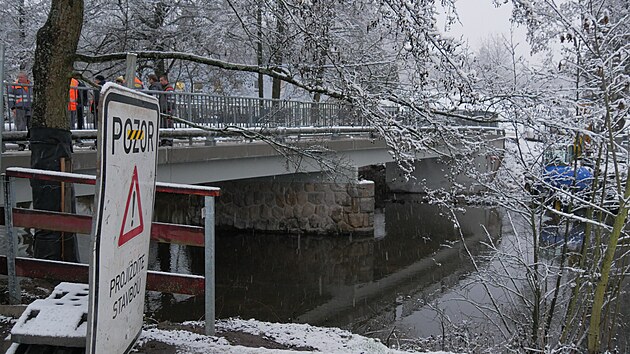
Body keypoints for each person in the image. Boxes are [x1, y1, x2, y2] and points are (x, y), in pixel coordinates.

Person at [7, 72, 32, 151]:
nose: (19, 79)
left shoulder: (31, 85)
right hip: (19, 108)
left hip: (30, 108)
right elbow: (10, 97)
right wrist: (12, 108)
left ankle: (32, 144)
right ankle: (21, 144)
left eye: (21, 77)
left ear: (26, 78)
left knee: (31, 127)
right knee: (20, 127)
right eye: (19, 77)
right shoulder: (14, 86)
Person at [159, 74, 175, 146]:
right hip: (164, 110)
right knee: (164, 125)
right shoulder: (164, 89)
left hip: (168, 110)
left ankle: (168, 140)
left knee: (168, 125)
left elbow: (170, 101)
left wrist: (168, 109)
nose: (160, 82)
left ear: (166, 80)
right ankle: (164, 140)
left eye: (162, 80)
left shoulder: (169, 89)